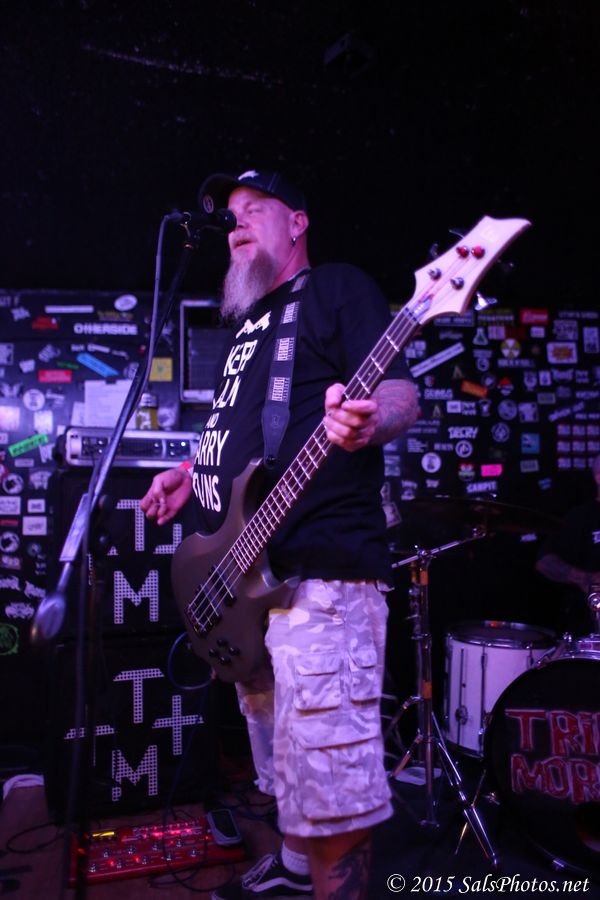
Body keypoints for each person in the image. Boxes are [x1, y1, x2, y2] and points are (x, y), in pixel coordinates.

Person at [141, 169, 418, 900]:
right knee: (288, 771)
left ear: (297, 222)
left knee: (333, 802)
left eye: (254, 209)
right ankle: (295, 872)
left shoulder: (336, 289)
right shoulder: (248, 325)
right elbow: (245, 437)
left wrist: (369, 423)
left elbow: (398, 391)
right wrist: (189, 471)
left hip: (318, 578)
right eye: (230, 215)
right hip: (245, 585)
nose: (235, 224)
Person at [535, 453, 600, 635]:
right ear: (598, 478)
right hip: (590, 620)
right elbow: (544, 562)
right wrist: (587, 579)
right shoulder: (582, 517)